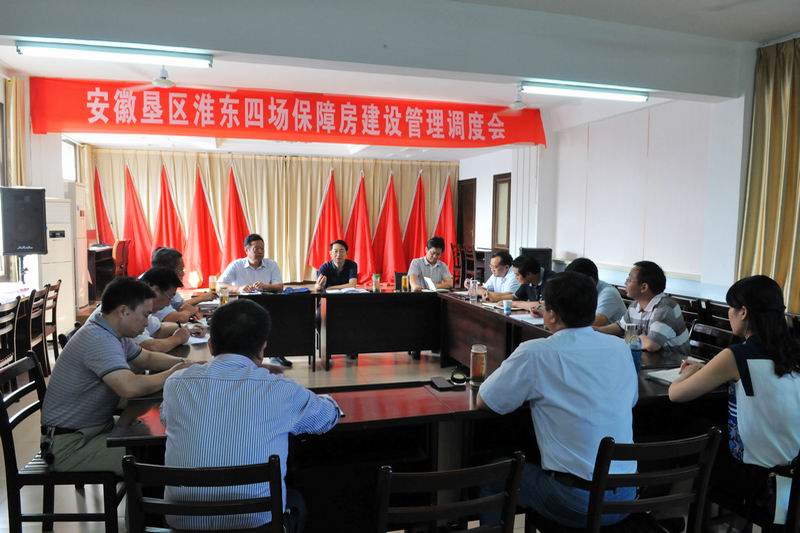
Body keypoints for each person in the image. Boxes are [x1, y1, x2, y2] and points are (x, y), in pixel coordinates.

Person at [160, 299, 340, 531]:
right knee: (298, 499)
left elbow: (166, 419)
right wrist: (327, 400)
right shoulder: (280, 390)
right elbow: (326, 418)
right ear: (263, 347)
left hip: (184, 524)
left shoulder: (176, 384)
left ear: (211, 345)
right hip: (256, 526)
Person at [477, 272, 638, 528]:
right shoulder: (620, 348)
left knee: (494, 475)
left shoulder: (537, 352)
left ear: (550, 315)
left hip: (576, 501)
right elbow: (630, 400)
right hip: (627, 496)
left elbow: (486, 400)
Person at [669, 275, 800, 513]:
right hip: (789, 473)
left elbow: (676, 394)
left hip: (754, 480)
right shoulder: (793, 353)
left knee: (692, 432)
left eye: (731, 307)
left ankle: (671, 512)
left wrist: (686, 374)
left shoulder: (737, 355)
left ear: (743, 312)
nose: (729, 312)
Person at [40, 277, 194, 475]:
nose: (147, 322)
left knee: (162, 436)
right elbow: (129, 387)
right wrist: (173, 373)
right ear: (123, 311)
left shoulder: (111, 332)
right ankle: (145, 496)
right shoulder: (98, 339)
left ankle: (144, 494)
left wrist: (186, 364)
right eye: (145, 315)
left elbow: (146, 358)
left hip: (93, 430)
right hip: (71, 446)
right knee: (159, 453)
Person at [595, 261, 690, 353]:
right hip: (650, 357)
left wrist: (632, 338)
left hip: (674, 361)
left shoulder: (665, 308)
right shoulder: (635, 305)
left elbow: (651, 345)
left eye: (629, 280)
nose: (625, 283)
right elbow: (621, 327)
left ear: (644, 287)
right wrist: (597, 330)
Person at [150, 247, 214, 323]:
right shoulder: (153, 286)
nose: (183, 274)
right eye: (181, 269)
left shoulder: (165, 283)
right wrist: (190, 311)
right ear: (168, 270)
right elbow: (174, 317)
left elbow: (180, 304)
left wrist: (189, 310)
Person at [564, 257, 626, 326]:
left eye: (575, 282)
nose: (572, 286)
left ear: (591, 281)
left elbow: (594, 323)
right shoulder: (583, 291)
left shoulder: (609, 293)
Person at [219, 233, 284, 293]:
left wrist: (265, 287)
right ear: (246, 250)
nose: (260, 252)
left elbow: (280, 287)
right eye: (256, 249)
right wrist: (239, 289)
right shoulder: (236, 265)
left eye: (262, 249)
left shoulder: (272, 264)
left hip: (265, 300)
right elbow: (219, 286)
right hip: (242, 300)